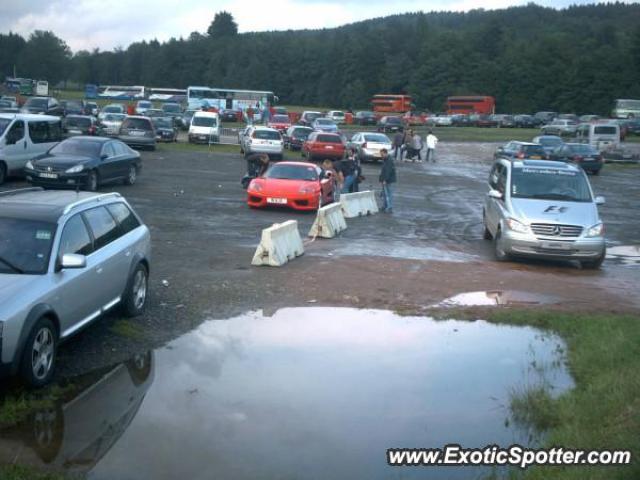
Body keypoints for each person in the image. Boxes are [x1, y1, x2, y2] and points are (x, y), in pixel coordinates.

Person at [378, 148, 396, 213]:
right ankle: (385, 206)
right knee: (385, 193)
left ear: (385, 153)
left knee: (388, 193)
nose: (381, 155)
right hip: (385, 179)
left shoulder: (389, 160)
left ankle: (389, 207)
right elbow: (384, 170)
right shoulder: (386, 159)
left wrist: (385, 180)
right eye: (381, 154)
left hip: (388, 180)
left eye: (382, 154)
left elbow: (388, 171)